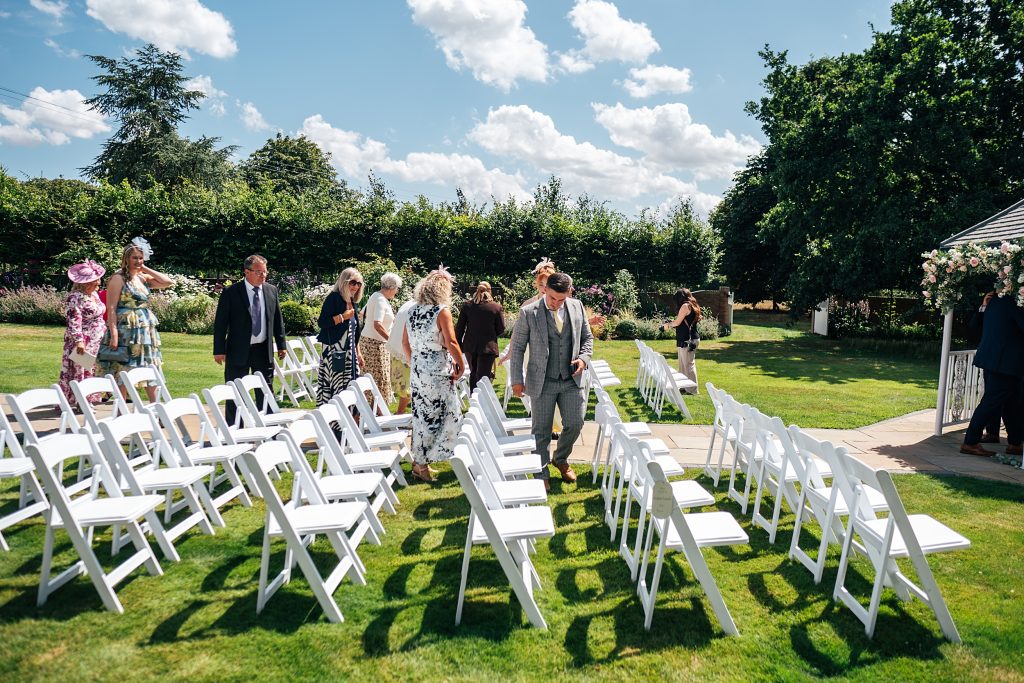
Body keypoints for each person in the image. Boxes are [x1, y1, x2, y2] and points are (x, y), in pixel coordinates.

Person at [509, 272, 593, 491]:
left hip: (571, 379)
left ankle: (561, 458)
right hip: (541, 381)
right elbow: (517, 348)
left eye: (561, 299)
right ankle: (541, 470)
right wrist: (517, 379)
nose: (556, 303)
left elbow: (587, 338)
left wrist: (583, 359)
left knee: (576, 423)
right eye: (552, 298)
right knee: (541, 430)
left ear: (569, 293)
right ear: (545, 289)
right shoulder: (528, 313)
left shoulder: (577, 307)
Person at [403, 266, 465, 482]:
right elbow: (452, 341)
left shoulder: (411, 311)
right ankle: (426, 460)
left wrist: (417, 363)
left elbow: (405, 343)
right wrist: (460, 363)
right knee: (446, 414)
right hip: (437, 369)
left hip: (419, 369)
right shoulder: (441, 311)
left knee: (421, 415)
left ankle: (419, 463)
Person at [212, 254, 287, 424]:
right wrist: (218, 350)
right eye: (259, 272)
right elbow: (220, 324)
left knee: (266, 391)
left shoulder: (271, 290)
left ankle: (270, 429)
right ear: (247, 272)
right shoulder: (231, 292)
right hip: (238, 350)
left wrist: (281, 345)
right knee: (235, 391)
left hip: (263, 349)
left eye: (265, 272)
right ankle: (234, 430)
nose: (263, 275)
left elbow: (277, 320)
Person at [99, 238, 172, 401]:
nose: (138, 261)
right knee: (124, 367)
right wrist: (114, 333)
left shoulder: (142, 277)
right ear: (126, 258)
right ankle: (121, 409)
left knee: (149, 366)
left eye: (141, 257)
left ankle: (156, 408)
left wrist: (144, 267)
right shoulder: (118, 278)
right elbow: (111, 307)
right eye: (134, 258)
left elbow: (167, 282)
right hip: (125, 329)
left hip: (144, 331)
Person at [960, 292, 1024, 457]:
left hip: (1000, 361)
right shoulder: (1015, 303)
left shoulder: (997, 300)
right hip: (1004, 362)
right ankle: (971, 441)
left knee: (1011, 403)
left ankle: (1015, 443)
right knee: (991, 402)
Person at [59, 260, 107, 408]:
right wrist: (79, 341)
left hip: (97, 338)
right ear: (86, 282)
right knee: (81, 370)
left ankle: (88, 399)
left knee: (92, 369)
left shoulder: (94, 294)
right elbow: (74, 320)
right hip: (84, 339)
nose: (99, 282)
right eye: (96, 280)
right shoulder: (75, 297)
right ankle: (81, 401)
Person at [316, 267, 365, 406]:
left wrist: (358, 352)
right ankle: (335, 421)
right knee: (337, 385)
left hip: (350, 353)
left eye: (359, 283)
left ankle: (348, 419)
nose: (356, 286)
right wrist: (342, 317)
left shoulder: (352, 301)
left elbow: (354, 332)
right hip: (336, 351)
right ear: (344, 282)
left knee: (350, 385)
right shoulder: (334, 298)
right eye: (353, 282)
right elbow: (322, 322)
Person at [359, 272, 402, 404]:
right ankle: (376, 412)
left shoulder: (376, 296)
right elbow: (377, 324)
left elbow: (362, 314)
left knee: (375, 379)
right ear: (392, 287)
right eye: (397, 289)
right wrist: (391, 340)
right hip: (374, 346)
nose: (397, 292)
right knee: (378, 380)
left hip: (371, 343)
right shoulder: (380, 300)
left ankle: (373, 411)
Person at [456, 281, 505, 392]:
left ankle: (474, 400)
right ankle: (480, 403)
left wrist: (459, 344)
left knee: (474, 374)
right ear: (490, 291)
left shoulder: (467, 306)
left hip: (470, 346)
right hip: (488, 347)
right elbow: (501, 329)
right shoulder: (496, 307)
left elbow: (460, 328)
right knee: (483, 378)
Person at [661, 287, 702, 394]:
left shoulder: (685, 306)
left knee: (688, 365)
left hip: (688, 340)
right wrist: (672, 323)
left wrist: (667, 325)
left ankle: (693, 390)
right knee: (683, 365)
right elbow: (683, 321)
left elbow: (677, 323)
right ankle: (684, 386)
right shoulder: (693, 304)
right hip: (690, 338)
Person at [386, 297, 416, 415]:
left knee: (405, 387)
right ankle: (400, 413)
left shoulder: (408, 303)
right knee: (406, 387)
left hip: (397, 348)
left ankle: (401, 412)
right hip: (404, 349)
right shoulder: (417, 307)